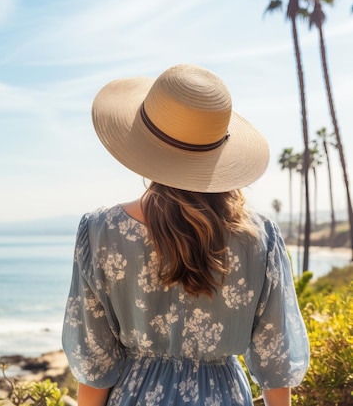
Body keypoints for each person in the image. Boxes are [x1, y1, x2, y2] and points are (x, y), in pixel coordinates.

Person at [61, 64, 309, 406]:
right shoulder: (259, 237)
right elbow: (275, 360)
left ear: (144, 146)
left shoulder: (100, 231)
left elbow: (95, 359)